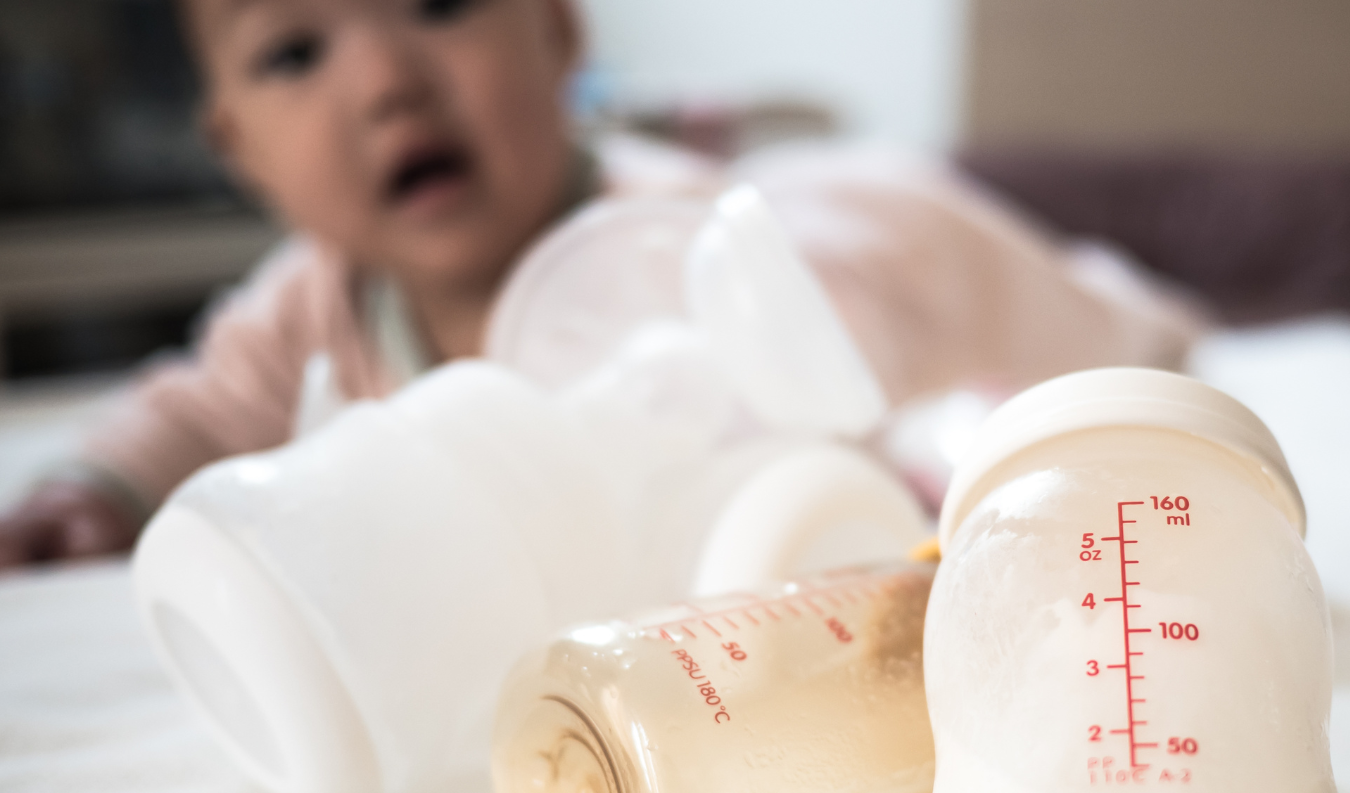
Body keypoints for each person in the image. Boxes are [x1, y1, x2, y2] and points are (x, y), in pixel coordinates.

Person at [0, 0, 1205, 568]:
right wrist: (96, 487)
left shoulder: (666, 242)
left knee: (962, 267)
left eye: (438, 7)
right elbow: (195, 410)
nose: (383, 83)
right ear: (240, 149)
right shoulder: (308, 307)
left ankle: (1138, 308)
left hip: (1061, 338)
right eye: (295, 52)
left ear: (559, 37)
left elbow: (826, 372)